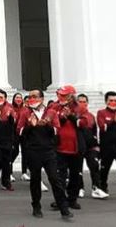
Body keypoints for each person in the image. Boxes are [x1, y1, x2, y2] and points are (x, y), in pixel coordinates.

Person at [16, 90, 72, 219]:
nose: (31, 99)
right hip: (33, 151)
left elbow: (57, 130)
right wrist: (30, 125)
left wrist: (46, 125)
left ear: (41, 98)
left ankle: (64, 208)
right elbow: (19, 131)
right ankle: (36, 206)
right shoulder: (25, 112)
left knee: (54, 179)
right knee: (35, 180)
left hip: (48, 151)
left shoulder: (51, 113)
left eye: (34, 96)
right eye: (30, 97)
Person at [48, 85, 85, 210]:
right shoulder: (54, 106)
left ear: (71, 96)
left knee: (75, 175)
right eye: (60, 94)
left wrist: (71, 116)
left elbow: (85, 123)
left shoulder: (79, 108)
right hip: (59, 147)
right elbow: (50, 122)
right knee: (59, 176)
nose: (61, 97)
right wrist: (62, 118)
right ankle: (60, 200)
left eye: (64, 95)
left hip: (76, 148)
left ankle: (72, 199)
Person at [77, 94, 108, 199]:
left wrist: (96, 145)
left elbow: (95, 131)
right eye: (80, 101)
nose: (82, 103)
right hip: (78, 147)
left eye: (84, 101)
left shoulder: (91, 116)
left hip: (91, 146)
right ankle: (79, 188)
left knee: (94, 167)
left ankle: (96, 188)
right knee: (77, 169)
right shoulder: (73, 116)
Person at [0, 89, 17, 192]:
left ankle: (6, 182)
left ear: (5, 98)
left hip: (7, 139)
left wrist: (10, 116)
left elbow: (13, 122)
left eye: (1, 97)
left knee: (7, 162)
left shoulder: (10, 108)